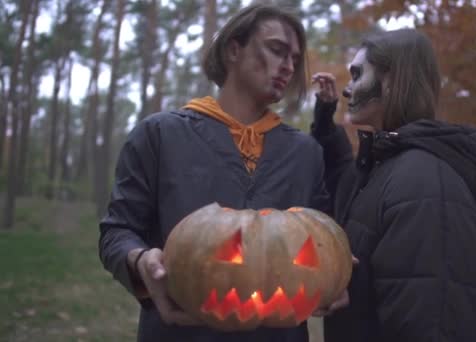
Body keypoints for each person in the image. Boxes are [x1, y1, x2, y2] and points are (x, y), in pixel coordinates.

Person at [98, 4, 329, 342]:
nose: (289, 66)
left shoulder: (306, 154)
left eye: (295, 58)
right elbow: (117, 232)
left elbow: (322, 239)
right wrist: (140, 259)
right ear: (234, 49)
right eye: (277, 50)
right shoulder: (160, 135)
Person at [311, 28, 476, 341]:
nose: (348, 89)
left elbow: (435, 321)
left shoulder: (426, 184)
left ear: (391, 81)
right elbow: (344, 187)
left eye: (357, 74)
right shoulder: (388, 167)